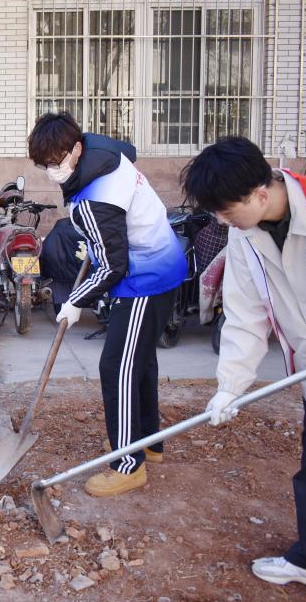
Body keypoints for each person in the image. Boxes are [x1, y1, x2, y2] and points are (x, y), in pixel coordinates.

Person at [181, 136, 306, 590]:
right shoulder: (245, 236)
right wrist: (230, 386)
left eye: (226, 210)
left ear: (260, 193)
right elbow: (245, 316)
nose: (223, 221)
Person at [27, 112, 186, 497]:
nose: (52, 170)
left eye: (56, 161)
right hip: (164, 264)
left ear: (76, 149)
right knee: (141, 359)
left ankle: (129, 465)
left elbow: (114, 266)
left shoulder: (96, 201)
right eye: (44, 164)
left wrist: (75, 301)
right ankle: (147, 441)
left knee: (117, 365)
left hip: (144, 278)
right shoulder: (104, 153)